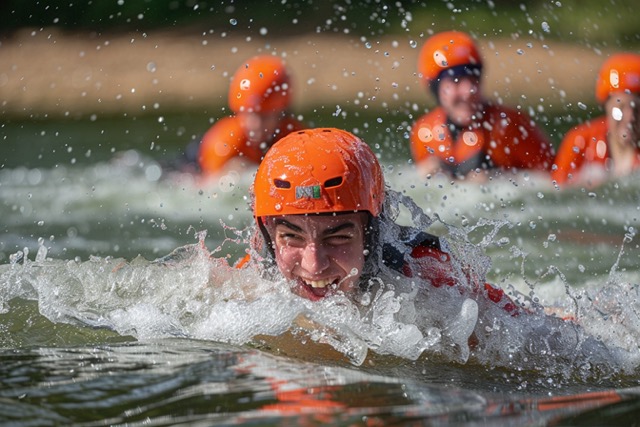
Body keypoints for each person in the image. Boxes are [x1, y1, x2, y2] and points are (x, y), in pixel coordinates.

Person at [409, 31, 555, 180]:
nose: (469, 91)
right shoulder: (424, 133)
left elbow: (555, 183)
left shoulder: (510, 126)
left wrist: (498, 180)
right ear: (435, 88)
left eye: (473, 78)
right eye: (456, 80)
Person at [195, 55, 305, 175]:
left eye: (264, 116)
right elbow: (207, 187)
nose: (256, 125)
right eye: (249, 114)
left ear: (281, 114)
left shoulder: (295, 137)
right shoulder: (224, 143)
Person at [552, 53, 640, 186]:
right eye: (620, 107)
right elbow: (555, 194)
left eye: (637, 109)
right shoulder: (580, 142)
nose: (630, 118)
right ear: (606, 106)